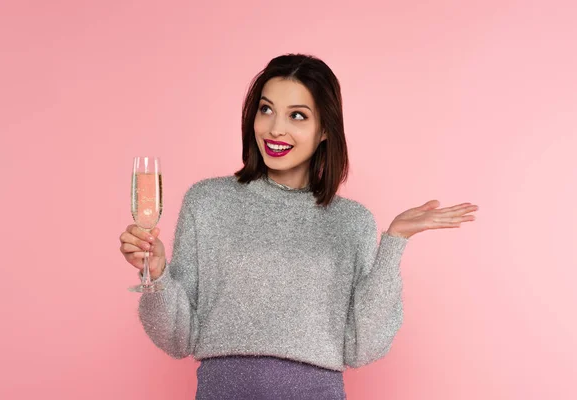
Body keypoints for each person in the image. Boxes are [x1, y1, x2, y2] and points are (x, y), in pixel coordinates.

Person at [119, 53, 478, 399]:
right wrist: (157, 272)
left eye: (298, 116)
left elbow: (362, 346)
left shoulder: (352, 222)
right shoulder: (208, 202)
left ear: (325, 130)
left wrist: (395, 241)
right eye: (266, 109)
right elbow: (177, 338)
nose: (276, 128)